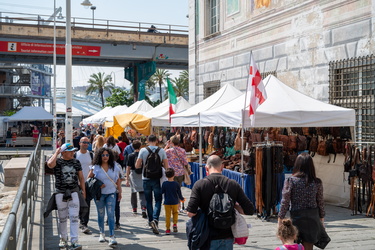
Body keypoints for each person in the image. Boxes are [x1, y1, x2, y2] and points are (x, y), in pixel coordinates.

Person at [186, 155, 254, 250]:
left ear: (206, 167)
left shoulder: (200, 185)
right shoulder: (233, 184)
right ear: (222, 167)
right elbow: (249, 210)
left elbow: (190, 213)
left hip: (206, 237)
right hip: (227, 237)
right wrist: (232, 205)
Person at [278, 153, 326, 250]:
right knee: (309, 247)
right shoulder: (317, 182)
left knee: (293, 245)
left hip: (297, 218)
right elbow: (320, 202)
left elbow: (285, 201)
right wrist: (321, 219)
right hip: (312, 218)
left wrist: (280, 218)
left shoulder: (291, 181)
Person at [47, 143, 86, 249]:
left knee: (74, 218)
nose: (73, 153)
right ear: (63, 152)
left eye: (73, 151)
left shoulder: (76, 162)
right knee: (62, 218)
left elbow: (81, 177)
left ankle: (74, 240)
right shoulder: (58, 161)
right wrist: (56, 153)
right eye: (70, 151)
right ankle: (63, 239)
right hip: (60, 193)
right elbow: (50, 164)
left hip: (74, 192)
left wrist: (83, 191)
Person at [88, 148, 122, 248]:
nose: (105, 157)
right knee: (101, 214)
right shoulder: (95, 167)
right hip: (99, 194)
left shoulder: (115, 166)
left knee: (111, 214)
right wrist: (98, 184)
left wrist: (119, 192)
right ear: (99, 156)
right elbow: (89, 179)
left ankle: (112, 236)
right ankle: (102, 233)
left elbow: (118, 180)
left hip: (111, 193)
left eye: (107, 155)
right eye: (103, 155)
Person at [135, 134, 169, 234]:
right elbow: (166, 166)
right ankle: (155, 219)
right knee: (158, 200)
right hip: (157, 178)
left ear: (147, 140)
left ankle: (150, 221)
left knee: (148, 200)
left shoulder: (143, 150)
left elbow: (137, 165)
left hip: (146, 178)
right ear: (156, 141)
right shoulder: (161, 150)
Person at [164, 135, 188, 211]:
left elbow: (161, 154)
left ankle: (175, 205)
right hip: (180, 172)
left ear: (171, 142)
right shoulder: (182, 151)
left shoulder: (168, 151)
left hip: (172, 173)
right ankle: (178, 206)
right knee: (178, 189)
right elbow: (185, 162)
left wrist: (167, 146)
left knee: (172, 190)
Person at [75, 137, 94, 234]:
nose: (86, 144)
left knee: (86, 203)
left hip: (88, 183)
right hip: (76, 183)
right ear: (79, 143)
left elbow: (94, 166)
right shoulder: (75, 155)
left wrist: (92, 171)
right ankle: (80, 219)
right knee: (77, 203)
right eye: (84, 142)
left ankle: (84, 223)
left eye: (87, 142)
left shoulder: (91, 154)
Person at [125, 140, 147, 218]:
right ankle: (143, 207)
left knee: (133, 191)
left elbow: (128, 168)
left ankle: (134, 208)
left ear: (132, 147)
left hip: (133, 174)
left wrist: (127, 178)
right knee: (142, 192)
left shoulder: (130, 155)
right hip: (142, 174)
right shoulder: (143, 155)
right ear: (140, 146)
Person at [162, 168, 184, 235]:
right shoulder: (176, 184)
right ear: (174, 175)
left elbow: (162, 192)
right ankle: (174, 224)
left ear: (166, 175)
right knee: (175, 213)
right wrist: (181, 198)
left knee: (168, 216)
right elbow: (179, 193)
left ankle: (168, 229)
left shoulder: (164, 184)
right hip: (175, 202)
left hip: (167, 202)